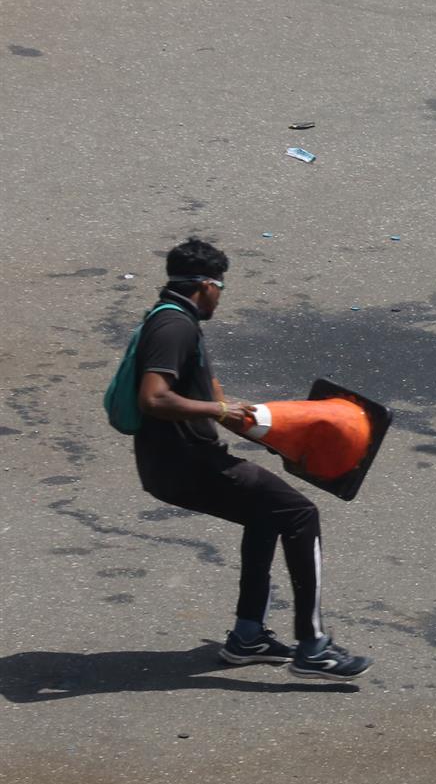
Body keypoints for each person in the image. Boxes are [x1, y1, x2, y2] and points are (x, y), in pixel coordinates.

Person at [129, 239, 370, 679]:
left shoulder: (172, 320)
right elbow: (154, 397)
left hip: (174, 464)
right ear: (206, 285)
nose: (220, 296)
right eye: (220, 288)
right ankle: (313, 645)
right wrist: (217, 411)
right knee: (300, 513)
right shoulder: (174, 328)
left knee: (268, 514)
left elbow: (211, 395)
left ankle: (247, 636)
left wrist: (276, 435)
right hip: (185, 465)